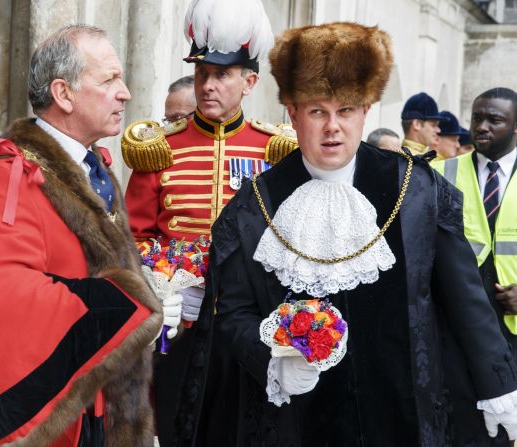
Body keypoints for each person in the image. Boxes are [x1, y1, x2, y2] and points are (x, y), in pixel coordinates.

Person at [175, 22, 517, 446]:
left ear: (365, 113)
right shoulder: (253, 207)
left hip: (405, 414)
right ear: (293, 114)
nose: (333, 127)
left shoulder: (417, 191)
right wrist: (271, 361)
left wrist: (498, 383)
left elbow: (465, 298)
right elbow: (233, 313)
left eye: (346, 110)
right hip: (298, 424)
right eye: (318, 111)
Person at [0, 25, 163, 447]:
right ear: (63, 94)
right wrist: (129, 301)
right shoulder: (12, 173)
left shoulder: (92, 163)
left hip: (105, 405)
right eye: (109, 79)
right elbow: (3, 296)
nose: (125, 92)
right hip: (62, 416)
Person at [121, 1, 296, 445]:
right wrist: (163, 289)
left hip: (250, 325)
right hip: (180, 329)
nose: (208, 85)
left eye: (222, 75)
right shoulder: (160, 148)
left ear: (249, 81)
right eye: (202, 74)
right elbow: (134, 239)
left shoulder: (274, 150)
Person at [432, 88, 517, 445]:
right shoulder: (438, 173)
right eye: (477, 118)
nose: (481, 127)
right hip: (454, 325)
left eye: (494, 120)